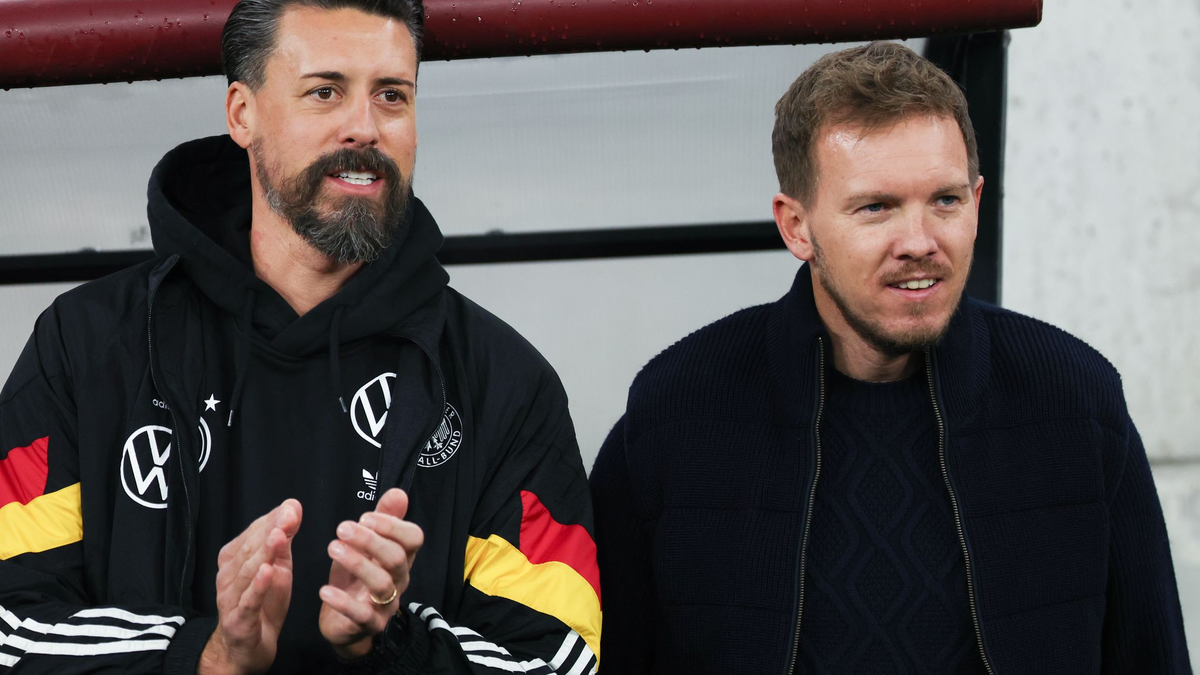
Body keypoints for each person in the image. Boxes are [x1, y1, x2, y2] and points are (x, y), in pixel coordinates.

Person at [0, 1, 601, 673]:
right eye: (325, 91)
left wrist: (390, 642)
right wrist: (209, 655)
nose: (364, 128)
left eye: (392, 96)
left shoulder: (502, 382)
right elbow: (10, 626)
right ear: (241, 114)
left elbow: (559, 658)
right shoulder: (86, 347)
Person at [590, 41, 1191, 674]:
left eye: (946, 201)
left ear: (978, 203)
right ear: (796, 227)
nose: (920, 242)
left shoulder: (1072, 398)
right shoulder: (677, 411)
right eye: (876, 207)